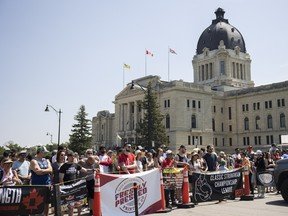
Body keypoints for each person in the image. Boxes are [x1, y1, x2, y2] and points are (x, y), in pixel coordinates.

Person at [59, 150, 87, 216]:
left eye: (74, 156)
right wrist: (63, 189)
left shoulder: (76, 165)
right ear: (68, 157)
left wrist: (93, 170)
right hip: (67, 188)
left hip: (76, 187)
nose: (73, 158)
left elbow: (84, 170)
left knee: (79, 203)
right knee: (70, 206)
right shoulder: (63, 166)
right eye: (72, 156)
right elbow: (60, 179)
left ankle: (79, 214)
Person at [30, 146, 52, 216]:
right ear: (40, 152)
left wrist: (42, 170)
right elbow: (38, 172)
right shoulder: (34, 161)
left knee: (47, 202)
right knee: (36, 203)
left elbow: (51, 170)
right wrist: (46, 171)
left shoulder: (47, 160)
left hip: (47, 184)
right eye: (44, 152)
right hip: (37, 186)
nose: (45, 153)